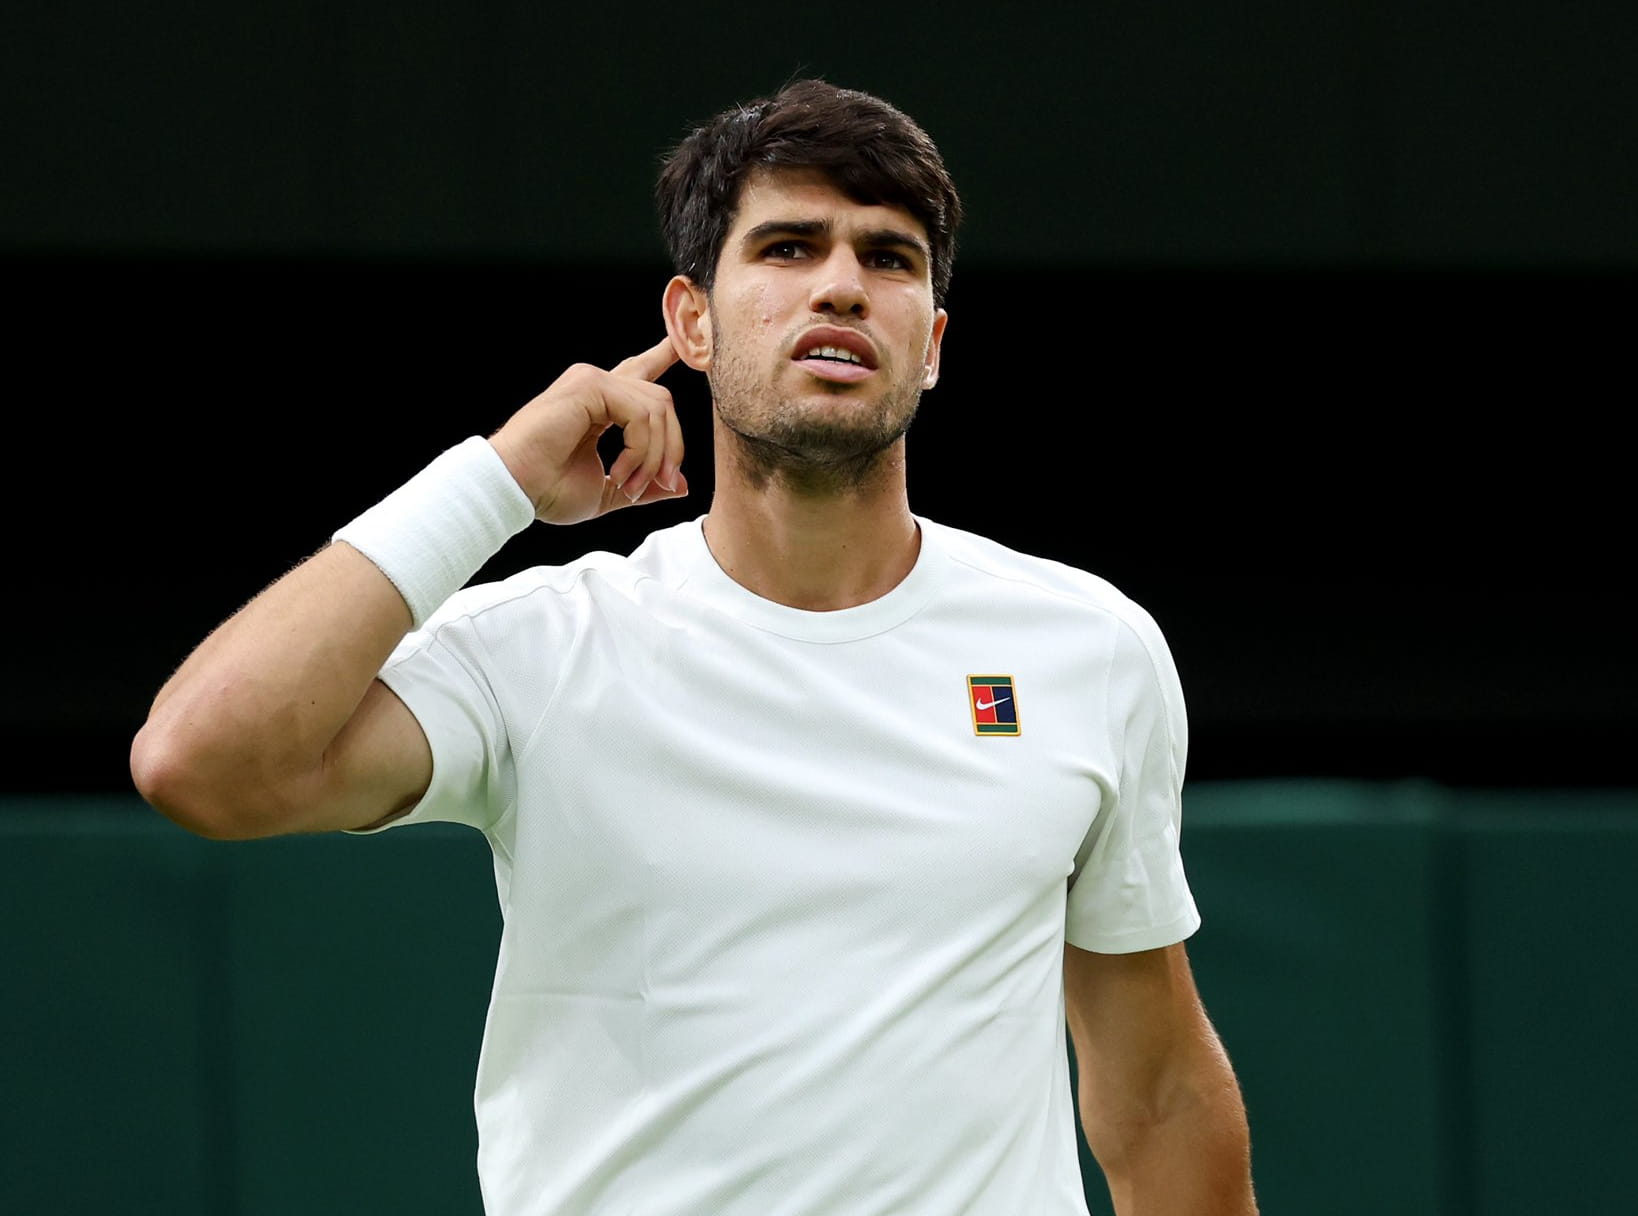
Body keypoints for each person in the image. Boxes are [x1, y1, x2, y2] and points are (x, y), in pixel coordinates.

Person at [130, 77, 1258, 1216]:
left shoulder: (1089, 649)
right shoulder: (542, 647)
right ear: (692, 323)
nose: (840, 286)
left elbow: (1159, 1095)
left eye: (889, 258)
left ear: (931, 345)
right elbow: (201, 763)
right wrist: (496, 481)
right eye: (788, 247)